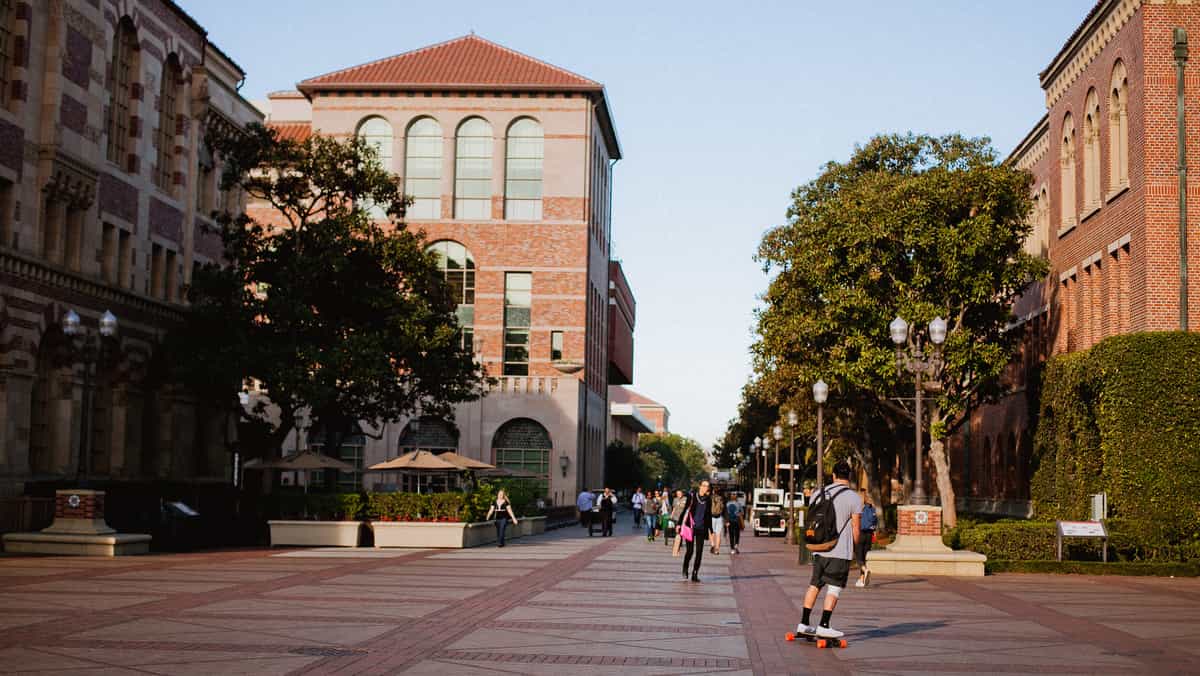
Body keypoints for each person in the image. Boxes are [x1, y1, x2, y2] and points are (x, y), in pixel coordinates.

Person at [797, 461, 863, 640]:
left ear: (833, 475)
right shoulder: (854, 498)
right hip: (840, 550)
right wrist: (857, 551)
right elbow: (856, 529)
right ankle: (824, 625)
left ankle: (803, 623)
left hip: (819, 548)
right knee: (834, 587)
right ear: (849, 476)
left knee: (814, 585)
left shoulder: (818, 493)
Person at [679, 480, 713, 582]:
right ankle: (685, 568)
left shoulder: (708, 500)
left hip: (701, 528)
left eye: (707, 486)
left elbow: (708, 516)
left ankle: (695, 573)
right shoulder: (692, 497)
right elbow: (685, 510)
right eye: (704, 485)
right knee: (690, 551)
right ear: (700, 486)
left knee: (699, 552)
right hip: (691, 527)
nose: (705, 487)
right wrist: (678, 524)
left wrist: (711, 529)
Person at [855, 490, 877, 587]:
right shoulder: (871, 507)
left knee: (858, 557)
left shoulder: (858, 508)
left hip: (860, 534)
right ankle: (861, 579)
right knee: (864, 557)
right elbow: (875, 521)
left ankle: (865, 570)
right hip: (869, 534)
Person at [669, 489, 688, 555]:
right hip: (676, 517)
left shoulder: (685, 499)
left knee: (680, 530)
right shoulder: (675, 499)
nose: (679, 495)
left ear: (682, 493)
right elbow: (674, 508)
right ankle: (677, 541)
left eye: (680, 493)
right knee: (677, 530)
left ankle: (679, 542)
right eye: (677, 494)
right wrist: (671, 515)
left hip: (683, 517)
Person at [709, 487, 725, 555]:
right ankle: (717, 550)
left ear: (713, 492)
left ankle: (712, 545)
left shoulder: (710, 498)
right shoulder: (722, 499)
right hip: (719, 517)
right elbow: (724, 509)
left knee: (711, 532)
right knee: (718, 534)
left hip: (711, 517)